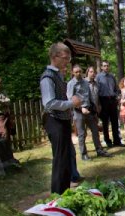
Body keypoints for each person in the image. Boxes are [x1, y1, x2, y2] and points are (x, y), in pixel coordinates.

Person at [40, 42, 82, 194]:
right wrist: (71, 102)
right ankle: (57, 197)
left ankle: (65, 193)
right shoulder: (47, 77)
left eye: (68, 59)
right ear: (54, 57)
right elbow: (49, 103)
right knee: (60, 160)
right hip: (54, 121)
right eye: (65, 58)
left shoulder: (58, 75)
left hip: (62, 121)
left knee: (66, 159)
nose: (67, 61)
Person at [67, 64, 112, 161]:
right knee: (82, 134)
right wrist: (80, 108)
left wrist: (94, 109)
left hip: (89, 110)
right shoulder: (71, 84)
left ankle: (99, 150)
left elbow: (90, 96)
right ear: (73, 73)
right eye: (76, 72)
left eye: (80, 71)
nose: (78, 73)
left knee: (95, 131)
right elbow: (70, 99)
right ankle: (84, 154)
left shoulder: (85, 82)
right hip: (78, 112)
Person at [96, 61, 124, 148]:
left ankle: (117, 141)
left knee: (115, 122)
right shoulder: (98, 77)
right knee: (105, 123)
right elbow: (96, 91)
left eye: (107, 66)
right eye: (104, 66)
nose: (106, 67)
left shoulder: (112, 76)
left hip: (112, 100)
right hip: (103, 100)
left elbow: (116, 89)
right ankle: (108, 141)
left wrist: (117, 96)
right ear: (101, 67)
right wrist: (99, 104)